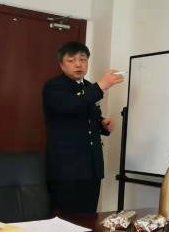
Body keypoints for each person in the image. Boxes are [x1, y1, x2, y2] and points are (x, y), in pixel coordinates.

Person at [42, 41, 123, 213]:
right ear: (61, 65)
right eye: (71, 60)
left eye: (83, 59)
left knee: (88, 218)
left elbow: (84, 117)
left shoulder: (88, 87)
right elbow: (67, 106)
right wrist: (100, 86)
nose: (78, 64)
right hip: (66, 168)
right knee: (65, 219)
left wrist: (102, 124)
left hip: (91, 166)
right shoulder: (54, 86)